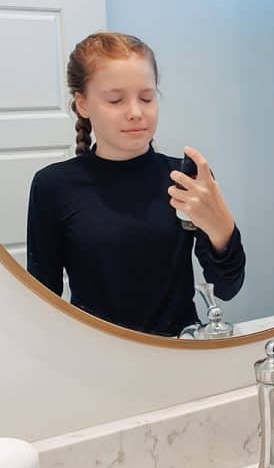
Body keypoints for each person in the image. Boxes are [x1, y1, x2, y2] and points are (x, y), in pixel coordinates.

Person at [26, 32, 245, 336]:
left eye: (146, 97)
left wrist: (223, 230)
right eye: (115, 100)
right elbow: (42, 303)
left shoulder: (185, 178)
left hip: (179, 355)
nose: (135, 112)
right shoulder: (53, 186)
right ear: (83, 104)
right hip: (97, 358)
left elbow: (227, 287)